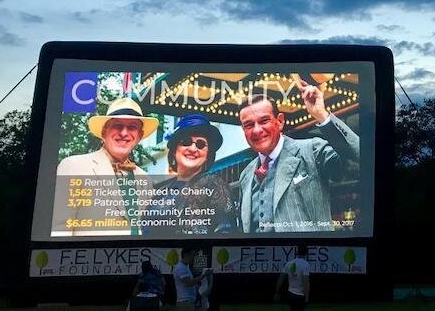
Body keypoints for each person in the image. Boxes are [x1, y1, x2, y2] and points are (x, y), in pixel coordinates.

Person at [237, 79, 359, 233]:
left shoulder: (312, 150)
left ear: (280, 121)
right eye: (248, 125)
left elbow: (360, 163)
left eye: (264, 121)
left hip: (310, 255)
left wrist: (321, 115)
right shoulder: (245, 175)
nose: (256, 130)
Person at [52, 97, 159, 236]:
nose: (124, 133)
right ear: (103, 132)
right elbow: (60, 229)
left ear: (139, 136)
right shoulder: (74, 166)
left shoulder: (145, 179)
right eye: (118, 125)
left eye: (132, 127)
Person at [152, 114, 235, 235]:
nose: (193, 148)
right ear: (174, 150)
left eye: (201, 144)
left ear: (208, 155)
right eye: (186, 142)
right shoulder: (161, 193)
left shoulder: (213, 185)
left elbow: (226, 233)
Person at [275, 244, 310, 310]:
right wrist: (307, 297)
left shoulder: (289, 263)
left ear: (297, 252)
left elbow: (281, 278)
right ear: (306, 253)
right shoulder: (305, 264)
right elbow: (305, 281)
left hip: (290, 294)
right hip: (300, 295)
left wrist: (277, 291)